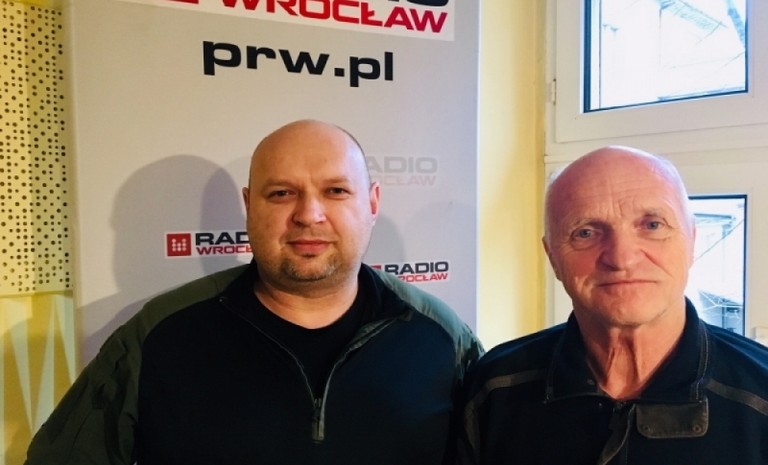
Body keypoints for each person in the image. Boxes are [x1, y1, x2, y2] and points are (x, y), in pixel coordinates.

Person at [25, 119, 482, 465]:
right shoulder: (158, 336)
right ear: (249, 206)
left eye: (336, 191)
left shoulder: (442, 339)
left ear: (372, 202)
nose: (309, 214)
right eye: (281, 193)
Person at [458, 146, 768, 464]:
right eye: (586, 233)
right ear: (553, 257)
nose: (621, 258)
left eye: (652, 225)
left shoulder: (761, 392)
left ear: (691, 241)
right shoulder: (495, 389)